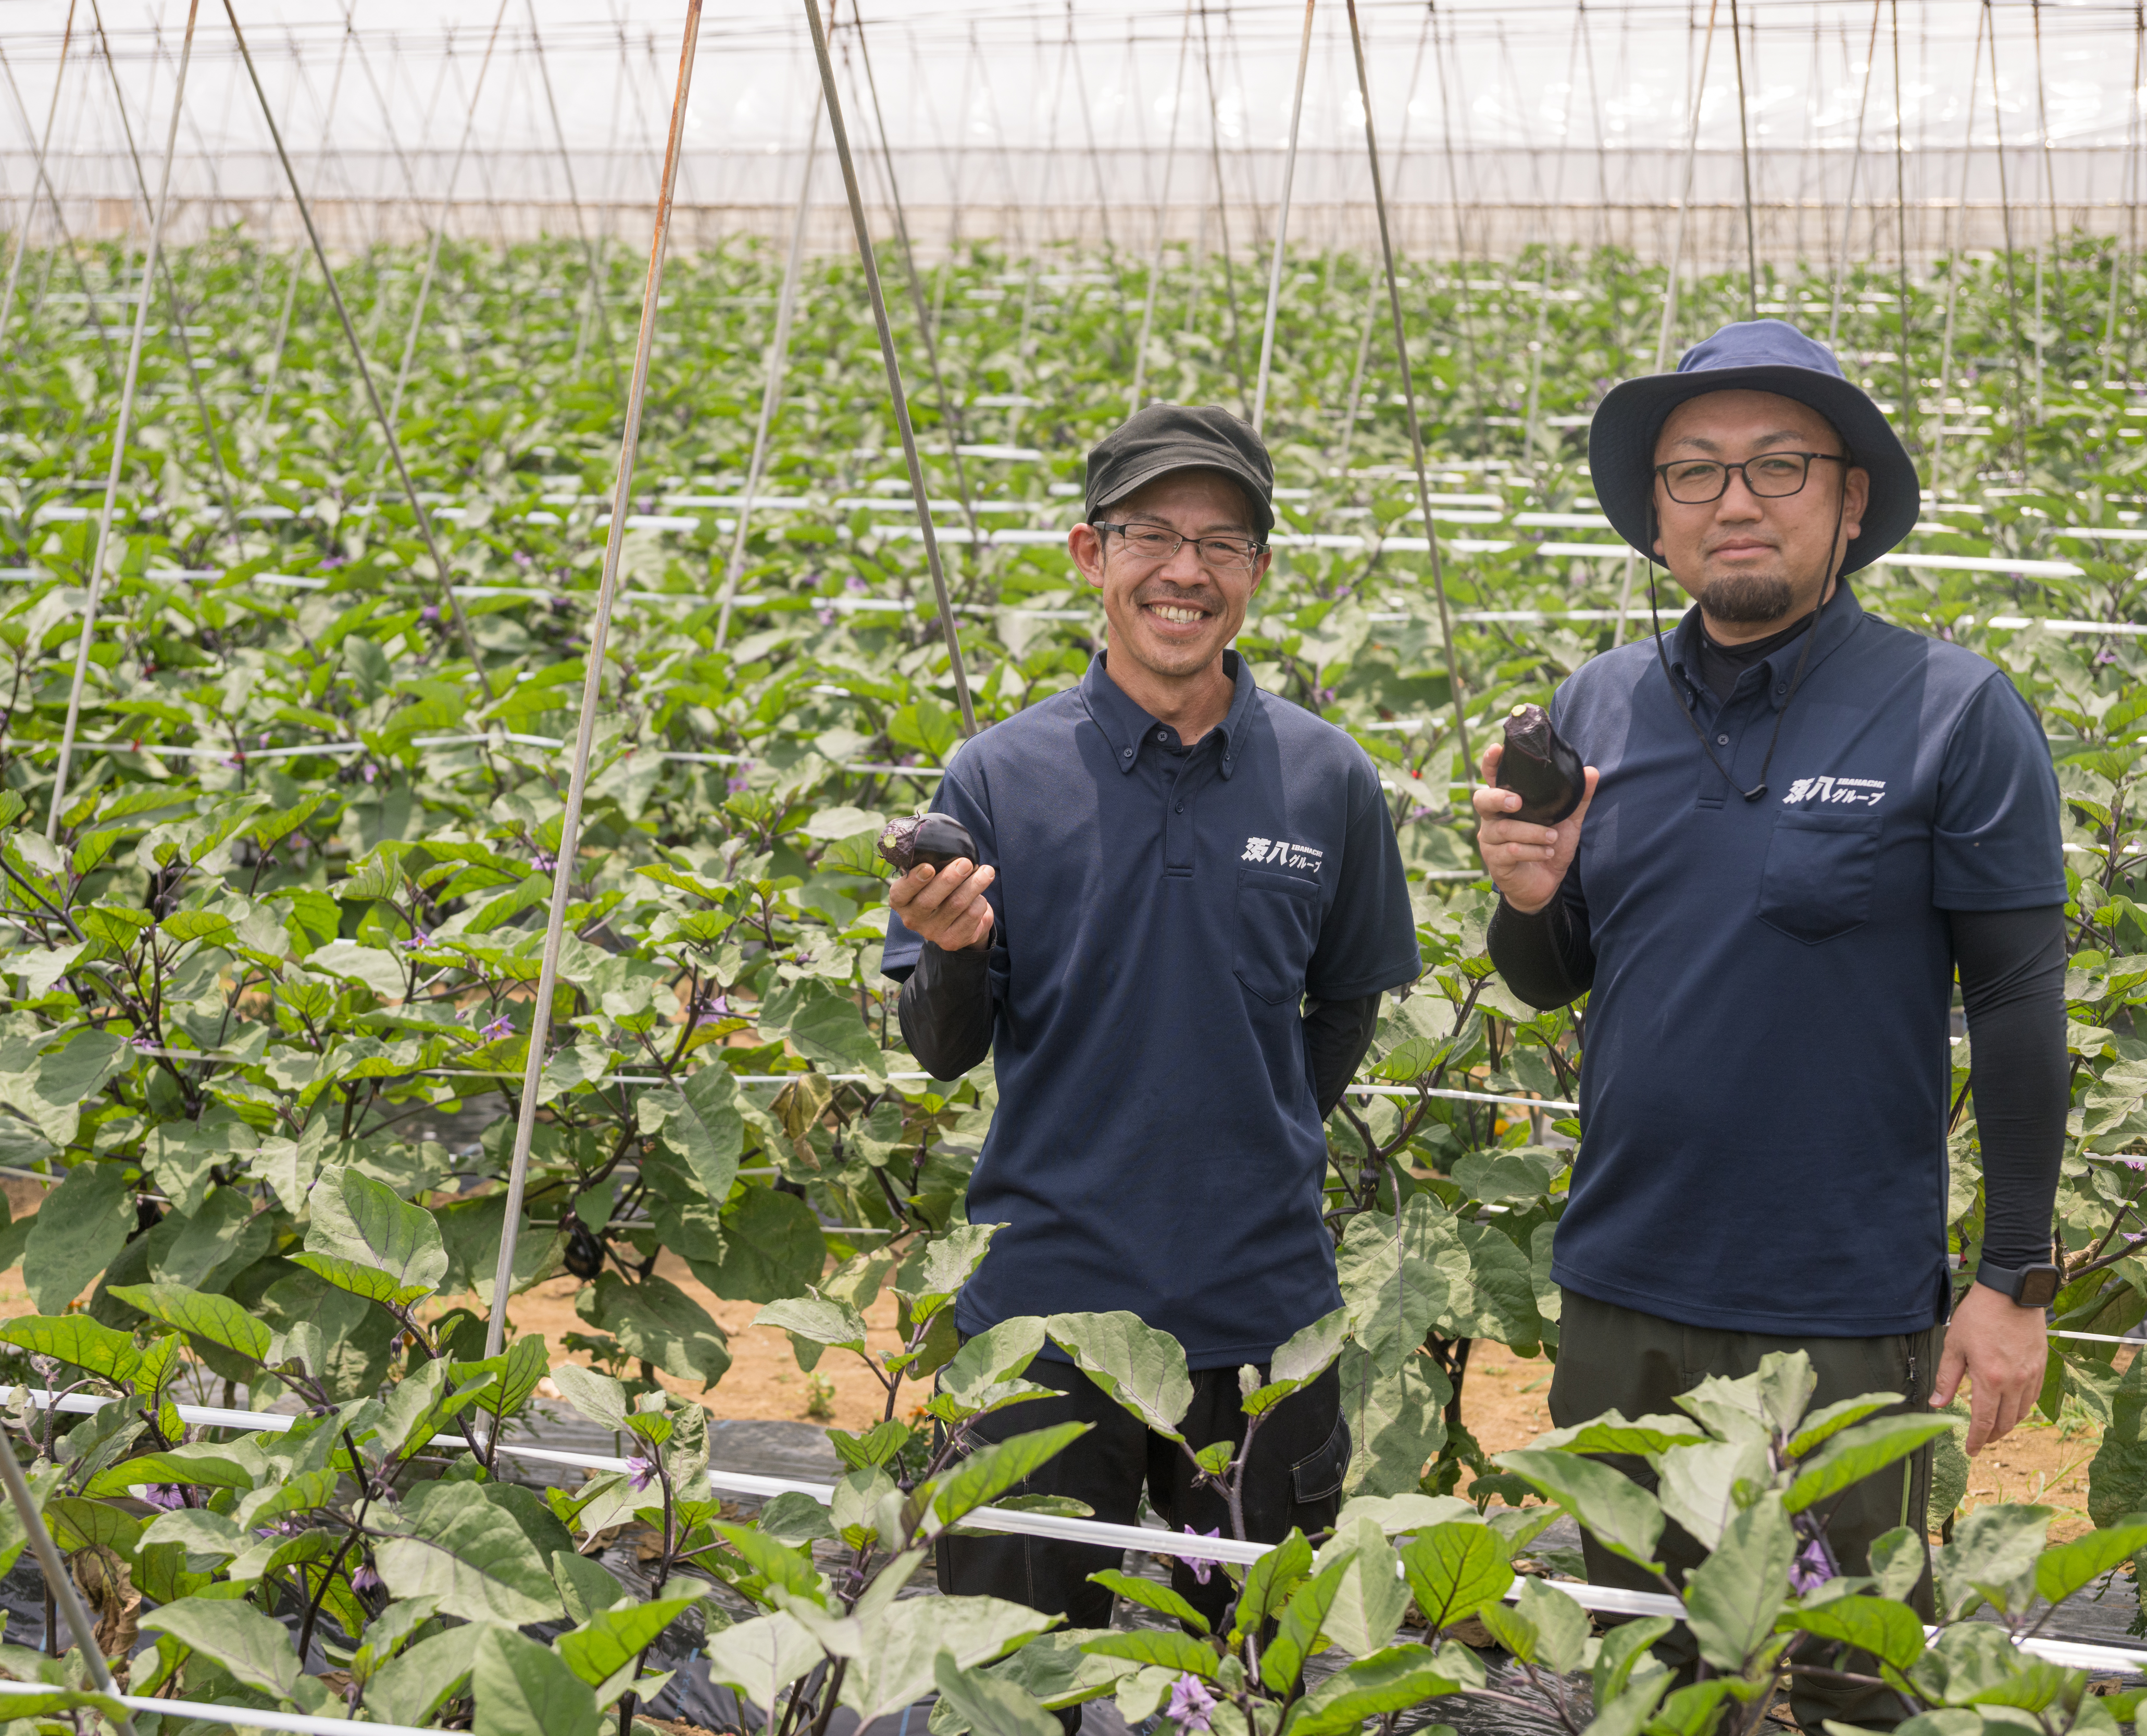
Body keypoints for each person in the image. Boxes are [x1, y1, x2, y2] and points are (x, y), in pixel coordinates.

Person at [1471, 320, 2068, 1726]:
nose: (1734, 499)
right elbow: (1548, 974)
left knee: (1843, 1682)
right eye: (1694, 473)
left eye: (1776, 464)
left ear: (1849, 499)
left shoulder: (1952, 709)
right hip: (1626, 1299)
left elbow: (2020, 1001)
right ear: (1659, 516)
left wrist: (2016, 1275)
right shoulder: (1596, 703)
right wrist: (1526, 895)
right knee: (1636, 1675)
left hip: (1843, 1316)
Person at [882, 403, 1423, 1634]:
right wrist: (957, 956)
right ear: (1091, 554)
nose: (1185, 571)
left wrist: (1251, 1122)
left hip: (1259, 1319)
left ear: (1257, 573)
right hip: (1043, 1314)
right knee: (1017, 1676)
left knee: (1242, 1677)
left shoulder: (1328, 777)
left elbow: (1340, 1008)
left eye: (1222, 543)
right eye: (1151, 536)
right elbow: (941, 1044)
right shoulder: (997, 775)